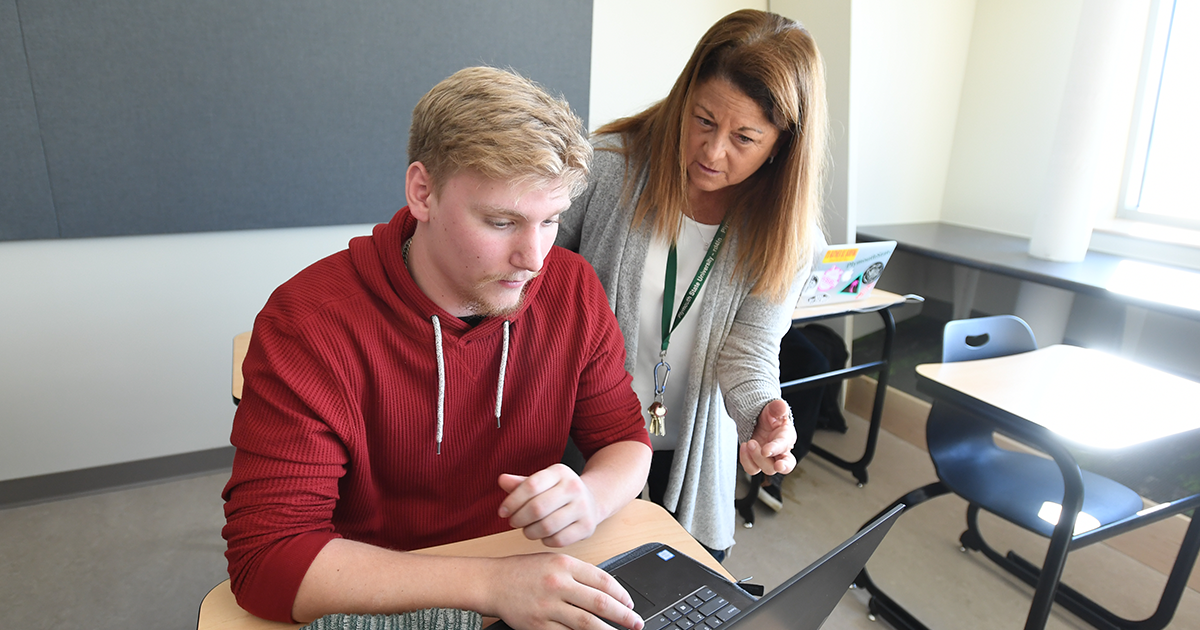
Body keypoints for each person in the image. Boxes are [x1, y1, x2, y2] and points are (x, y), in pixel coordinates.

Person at [222, 66, 653, 629]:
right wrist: (491, 585)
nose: (535, 257)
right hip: (383, 592)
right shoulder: (309, 323)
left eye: (551, 220)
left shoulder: (571, 288)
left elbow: (625, 439)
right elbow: (267, 561)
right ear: (422, 192)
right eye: (502, 222)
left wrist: (592, 498)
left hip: (527, 581)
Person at [555, 9, 828, 558]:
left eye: (744, 137)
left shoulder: (787, 234)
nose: (712, 151)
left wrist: (763, 417)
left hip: (690, 451)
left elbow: (749, 354)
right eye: (703, 120)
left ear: (782, 144)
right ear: (684, 98)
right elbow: (534, 289)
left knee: (683, 593)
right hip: (579, 438)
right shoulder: (607, 169)